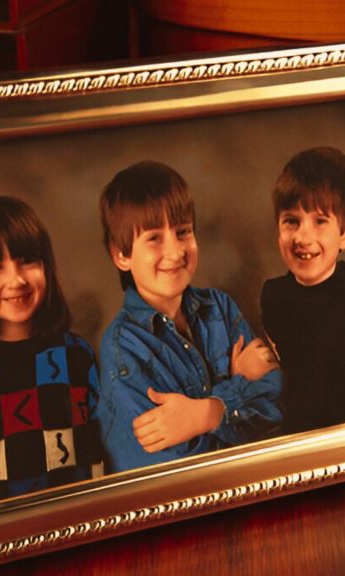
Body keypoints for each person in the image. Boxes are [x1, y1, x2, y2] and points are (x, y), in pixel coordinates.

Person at [95, 160, 282, 473]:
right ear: (121, 254)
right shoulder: (124, 351)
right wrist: (238, 389)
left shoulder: (220, 308)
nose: (175, 251)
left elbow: (275, 407)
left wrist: (206, 414)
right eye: (154, 238)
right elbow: (177, 468)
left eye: (183, 232)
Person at [0, 196, 102, 505]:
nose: (16, 280)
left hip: (79, 518)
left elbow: (102, 446)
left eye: (27, 261)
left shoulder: (76, 355)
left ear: (46, 266)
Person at [260, 147, 345, 435]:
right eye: (292, 221)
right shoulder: (273, 295)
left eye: (320, 221)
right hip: (298, 434)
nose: (303, 237)